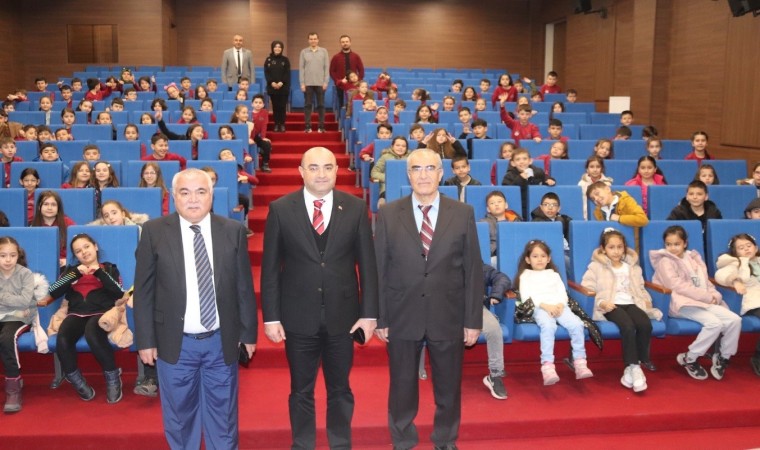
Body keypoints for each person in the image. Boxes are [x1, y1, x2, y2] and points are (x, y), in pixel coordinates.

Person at [260, 146, 378, 449]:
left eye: (328, 167)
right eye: (313, 167)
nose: (321, 174)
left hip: (344, 317)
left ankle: (340, 444)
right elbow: (270, 268)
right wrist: (271, 317)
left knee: (340, 388)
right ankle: (302, 444)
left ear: (337, 171)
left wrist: (369, 314)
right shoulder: (281, 209)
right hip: (298, 316)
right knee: (300, 389)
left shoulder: (355, 207)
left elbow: (368, 265)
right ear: (301, 172)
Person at [134, 168, 258, 449]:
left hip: (220, 340)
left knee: (224, 417)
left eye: (201, 192)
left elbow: (243, 287)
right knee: (180, 418)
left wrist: (248, 333)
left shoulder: (233, 231)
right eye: (185, 192)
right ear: (173, 196)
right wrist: (146, 340)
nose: (193, 199)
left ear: (211, 196)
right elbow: (143, 291)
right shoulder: (153, 232)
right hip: (174, 341)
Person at [374, 148, 483, 450]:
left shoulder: (462, 213)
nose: (423, 175)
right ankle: (402, 438)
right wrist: (381, 317)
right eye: (416, 169)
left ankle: (445, 438)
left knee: (448, 385)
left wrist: (472, 319)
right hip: (402, 313)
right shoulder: (388, 213)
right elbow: (379, 269)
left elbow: (473, 269)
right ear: (408, 175)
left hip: (448, 314)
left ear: (440, 173)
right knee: (402, 385)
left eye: (430, 168)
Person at [39, 234, 124, 402]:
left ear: (95, 247)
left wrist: (98, 272)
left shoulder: (109, 268)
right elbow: (54, 291)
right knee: (63, 337)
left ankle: (112, 376)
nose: (84, 252)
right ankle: (75, 378)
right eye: (78, 251)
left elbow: (119, 292)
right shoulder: (71, 271)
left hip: (101, 313)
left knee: (92, 332)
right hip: (76, 313)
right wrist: (75, 274)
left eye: (86, 247)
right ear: (75, 256)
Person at [650, 225, 741, 381]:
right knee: (714, 324)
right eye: (668, 244)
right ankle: (690, 357)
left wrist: (714, 295)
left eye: (677, 244)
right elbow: (676, 285)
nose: (672, 248)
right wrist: (706, 297)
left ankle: (723, 356)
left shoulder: (694, 258)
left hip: (703, 301)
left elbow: (705, 281)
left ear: (685, 243)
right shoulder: (665, 261)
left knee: (735, 320)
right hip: (682, 303)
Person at [581, 228, 659, 393]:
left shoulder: (632, 267)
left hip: (631, 303)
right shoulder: (596, 267)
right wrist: (602, 302)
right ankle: (633, 366)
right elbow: (587, 287)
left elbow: (640, 287)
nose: (616, 251)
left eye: (619, 247)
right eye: (611, 247)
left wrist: (646, 300)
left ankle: (635, 365)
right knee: (628, 326)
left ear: (624, 248)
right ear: (603, 249)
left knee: (645, 324)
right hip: (611, 305)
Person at [516, 239, 592, 386]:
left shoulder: (554, 275)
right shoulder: (525, 276)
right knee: (548, 326)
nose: (539, 259)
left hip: (559, 306)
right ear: (528, 259)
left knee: (577, 324)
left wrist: (560, 305)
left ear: (549, 258)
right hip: (540, 308)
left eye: (543, 256)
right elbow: (526, 297)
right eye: (535, 256)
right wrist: (546, 306)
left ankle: (580, 361)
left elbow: (563, 293)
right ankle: (548, 365)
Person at [0, 236, 43, 413]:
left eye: (12, 255)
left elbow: (25, 301)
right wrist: (13, 301)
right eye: (3, 255)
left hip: (19, 318)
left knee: (6, 338)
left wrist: (2, 297)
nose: (8, 260)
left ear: (18, 255)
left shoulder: (25, 274)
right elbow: (18, 301)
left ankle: (13, 386)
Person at [715, 233, 760, 377]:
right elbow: (720, 276)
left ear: (756, 247)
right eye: (741, 248)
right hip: (754, 301)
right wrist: (735, 280)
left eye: (749, 245)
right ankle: (758, 359)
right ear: (735, 252)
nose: (746, 249)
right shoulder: (735, 263)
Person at [587, 181, 649, 250]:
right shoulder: (597, 212)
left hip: (628, 247)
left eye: (597, 193)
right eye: (593, 199)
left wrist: (619, 218)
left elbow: (643, 219)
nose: (596, 199)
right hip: (609, 249)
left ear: (607, 189)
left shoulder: (625, 201)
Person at [502, 148, 555, 218]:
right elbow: (508, 191)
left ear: (530, 161)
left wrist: (550, 181)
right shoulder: (509, 176)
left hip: (535, 205)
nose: (522, 162)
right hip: (519, 206)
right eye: (518, 159)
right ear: (513, 163)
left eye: (524, 159)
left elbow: (546, 178)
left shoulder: (538, 172)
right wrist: (520, 178)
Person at [481, 190, 521, 268]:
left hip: (514, 254)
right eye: (492, 203)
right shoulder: (484, 223)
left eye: (499, 202)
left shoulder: (516, 221)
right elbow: (484, 246)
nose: (496, 204)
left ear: (506, 205)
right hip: (495, 256)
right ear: (488, 209)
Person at [299, 33, 330, 133]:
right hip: (307, 83)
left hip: (320, 83)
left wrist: (326, 82)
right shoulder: (304, 52)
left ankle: (321, 126)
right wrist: (302, 83)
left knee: (321, 105)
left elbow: (326, 68)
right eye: (311, 39)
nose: (313, 41)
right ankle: (308, 126)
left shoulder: (324, 51)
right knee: (308, 105)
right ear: (308, 40)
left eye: (315, 39)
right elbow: (301, 68)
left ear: (318, 40)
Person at [371, 136, 410, 209]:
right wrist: (388, 178)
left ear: (406, 148)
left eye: (403, 146)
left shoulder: (410, 158)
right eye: (398, 145)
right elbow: (374, 172)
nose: (400, 148)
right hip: (388, 187)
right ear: (392, 146)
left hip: (406, 186)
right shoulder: (385, 157)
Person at [329, 35, 364, 110]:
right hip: (341, 86)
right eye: (343, 42)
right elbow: (332, 71)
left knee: (354, 104)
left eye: (346, 41)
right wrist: (338, 81)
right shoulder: (336, 57)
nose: (345, 43)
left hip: (354, 86)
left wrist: (358, 80)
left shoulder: (356, 56)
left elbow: (361, 70)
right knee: (342, 106)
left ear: (350, 42)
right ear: (340, 43)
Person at [264, 40, 291, 132]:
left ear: (282, 48)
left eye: (279, 47)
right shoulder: (268, 60)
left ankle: (282, 124)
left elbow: (287, 73)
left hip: (283, 87)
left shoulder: (285, 60)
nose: (277, 48)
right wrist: (272, 82)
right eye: (275, 47)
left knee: (282, 106)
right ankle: (276, 124)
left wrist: (281, 82)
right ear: (272, 48)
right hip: (272, 87)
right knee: (275, 107)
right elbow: (267, 73)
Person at [578, 155, 613, 220]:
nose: (595, 170)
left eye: (598, 167)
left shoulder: (607, 184)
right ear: (587, 169)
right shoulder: (582, 184)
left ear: (602, 169)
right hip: (585, 215)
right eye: (591, 167)